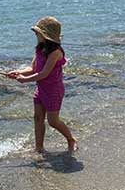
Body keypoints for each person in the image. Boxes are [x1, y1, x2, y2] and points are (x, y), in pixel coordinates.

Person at [7, 16, 78, 157]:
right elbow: (33, 68)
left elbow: (44, 73)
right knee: (38, 118)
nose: (35, 34)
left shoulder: (56, 52)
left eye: (37, 32)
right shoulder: (40, 49)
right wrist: (19, 72)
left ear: (46, 35)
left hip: (53, 91)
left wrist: (24, 80)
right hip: (41, 90)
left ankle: (71, 139)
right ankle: (39, 148)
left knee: (53, 121)